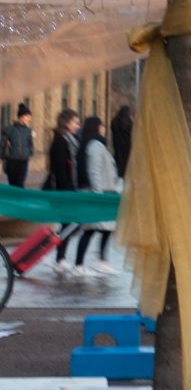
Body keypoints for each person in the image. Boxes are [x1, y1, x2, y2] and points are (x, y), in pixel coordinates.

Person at [73, 116, 118, 274]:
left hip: (103, 192)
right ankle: (81, 264)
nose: (104, 129)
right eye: (102, 126)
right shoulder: (95, 146)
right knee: (91, 229)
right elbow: (94, 170)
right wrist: (97, 193)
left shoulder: (95, 145)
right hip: (99, 194)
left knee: (102, 228)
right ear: (97, 127)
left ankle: (99, 260)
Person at [46, 108, 82, 277]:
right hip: (63, 191)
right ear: (66, 123)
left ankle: (59, 258)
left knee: (70, 223)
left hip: (69, 189)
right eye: (75, 122)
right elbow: (59, 169)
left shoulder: (71, 141)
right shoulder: (60, 141)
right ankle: (58, 258)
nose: (78, 125)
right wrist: (68, 191)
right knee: (71, 223)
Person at [3, 103, 33, 187]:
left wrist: (30, 152)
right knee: (12, 184)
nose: (29, 118)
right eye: (27, 116)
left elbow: (30, 144)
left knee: (20, 184)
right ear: (21, 116)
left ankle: (20, 199)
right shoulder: (9, 129)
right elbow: (2, 143)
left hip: (23, 161)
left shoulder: (28, 130)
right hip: (12, 161)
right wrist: (3, 156)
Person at [109, 104, 133, 180]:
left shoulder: (114, 122)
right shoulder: (129, 123)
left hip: (117, 146)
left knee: (118, 164)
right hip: (127, 147)